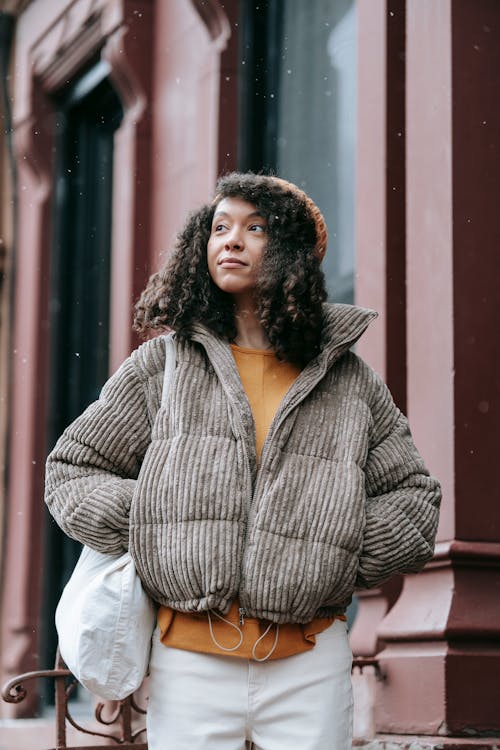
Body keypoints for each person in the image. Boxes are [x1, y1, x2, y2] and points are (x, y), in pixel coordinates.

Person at [45, 172, 441, 750]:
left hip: (311, 661)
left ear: (291, 255)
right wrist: (159, 519)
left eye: (254, 228)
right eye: (220, 227)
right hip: (188, 661)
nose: (230, 240)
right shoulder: (163, 366)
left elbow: (414, 499)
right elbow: (73, 469)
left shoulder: (346, 379)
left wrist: (338, 542)